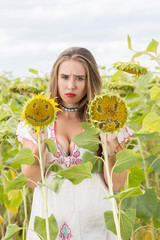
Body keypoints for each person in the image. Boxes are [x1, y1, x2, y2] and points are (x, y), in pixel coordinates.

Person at [16, 47, 133, 240]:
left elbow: (118, 184)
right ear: (56, 78)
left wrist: (110, 148)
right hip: (50, 222)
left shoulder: (106, 120)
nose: (71, 86)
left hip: (95, 223)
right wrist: (40, 144)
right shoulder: (36, 120)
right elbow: (32, 181)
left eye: (80, 78)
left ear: (90, 80)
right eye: (65, 77)